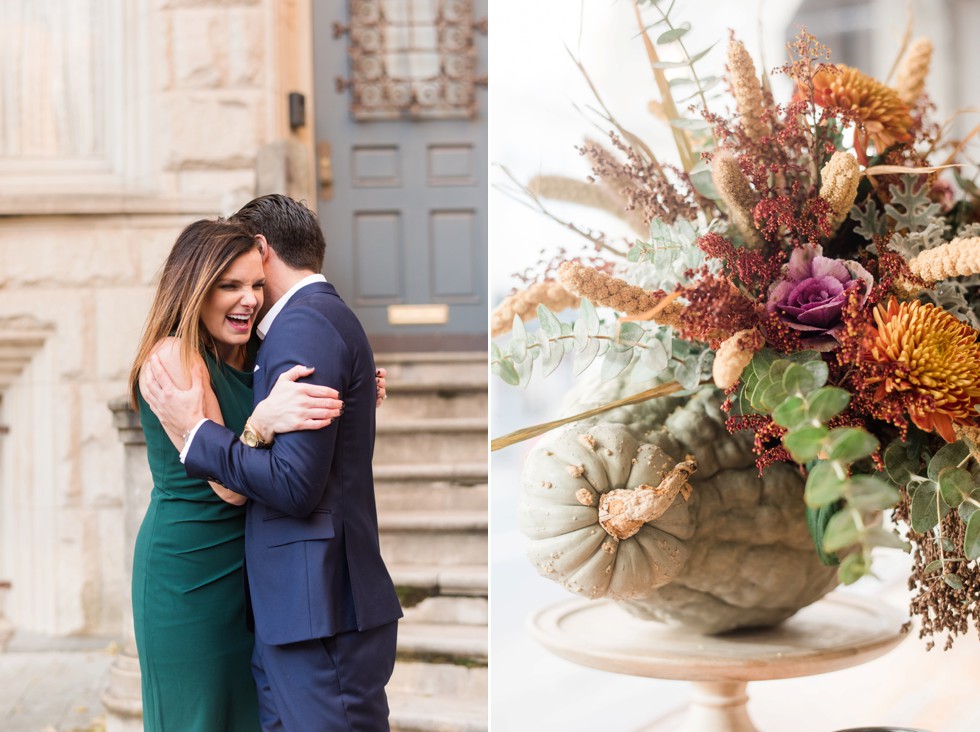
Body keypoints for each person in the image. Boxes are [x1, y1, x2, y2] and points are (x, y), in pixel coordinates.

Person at [142, 194, 403, 732]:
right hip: (193, 566)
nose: (248, 300)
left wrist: (350, 393)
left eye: (255, 285)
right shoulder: (175, 357)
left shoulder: (257, 352)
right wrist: (262, 421)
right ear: (195, 289)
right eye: (230, 286)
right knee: (201, 718)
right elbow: (230, 490)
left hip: (253, 572)